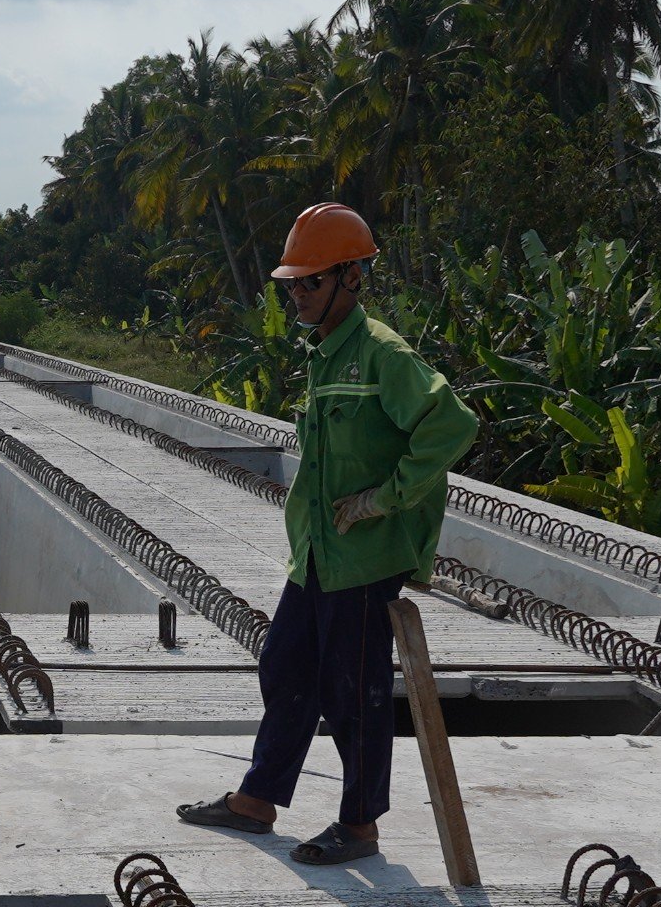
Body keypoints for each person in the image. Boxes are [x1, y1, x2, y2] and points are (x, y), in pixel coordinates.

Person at [177, 203, 479, 865]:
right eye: (293, 285)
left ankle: (360, 824)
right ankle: (258, 798)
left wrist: (386, 498)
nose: (298, 296)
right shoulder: (324, 356)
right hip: (318, 551)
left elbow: (452, 425)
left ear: (352, 278)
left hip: (366, 559)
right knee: (285, 665)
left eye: (310, 283)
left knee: (356, 692)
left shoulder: (383, 355)